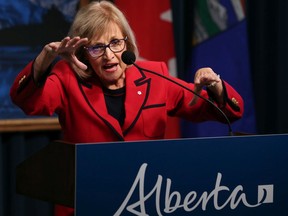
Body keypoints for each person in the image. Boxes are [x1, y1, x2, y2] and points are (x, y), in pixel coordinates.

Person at [10, 1, 243, 215]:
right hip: (86, 206)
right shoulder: (67, 80)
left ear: (126, 43)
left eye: (115, 43)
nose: (108, 55)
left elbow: (230, 111)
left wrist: (216, 87)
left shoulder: (155, 76)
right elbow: (28, 102)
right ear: (82, 54)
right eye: (96, 48)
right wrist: (44, 60)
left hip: (145, 204)